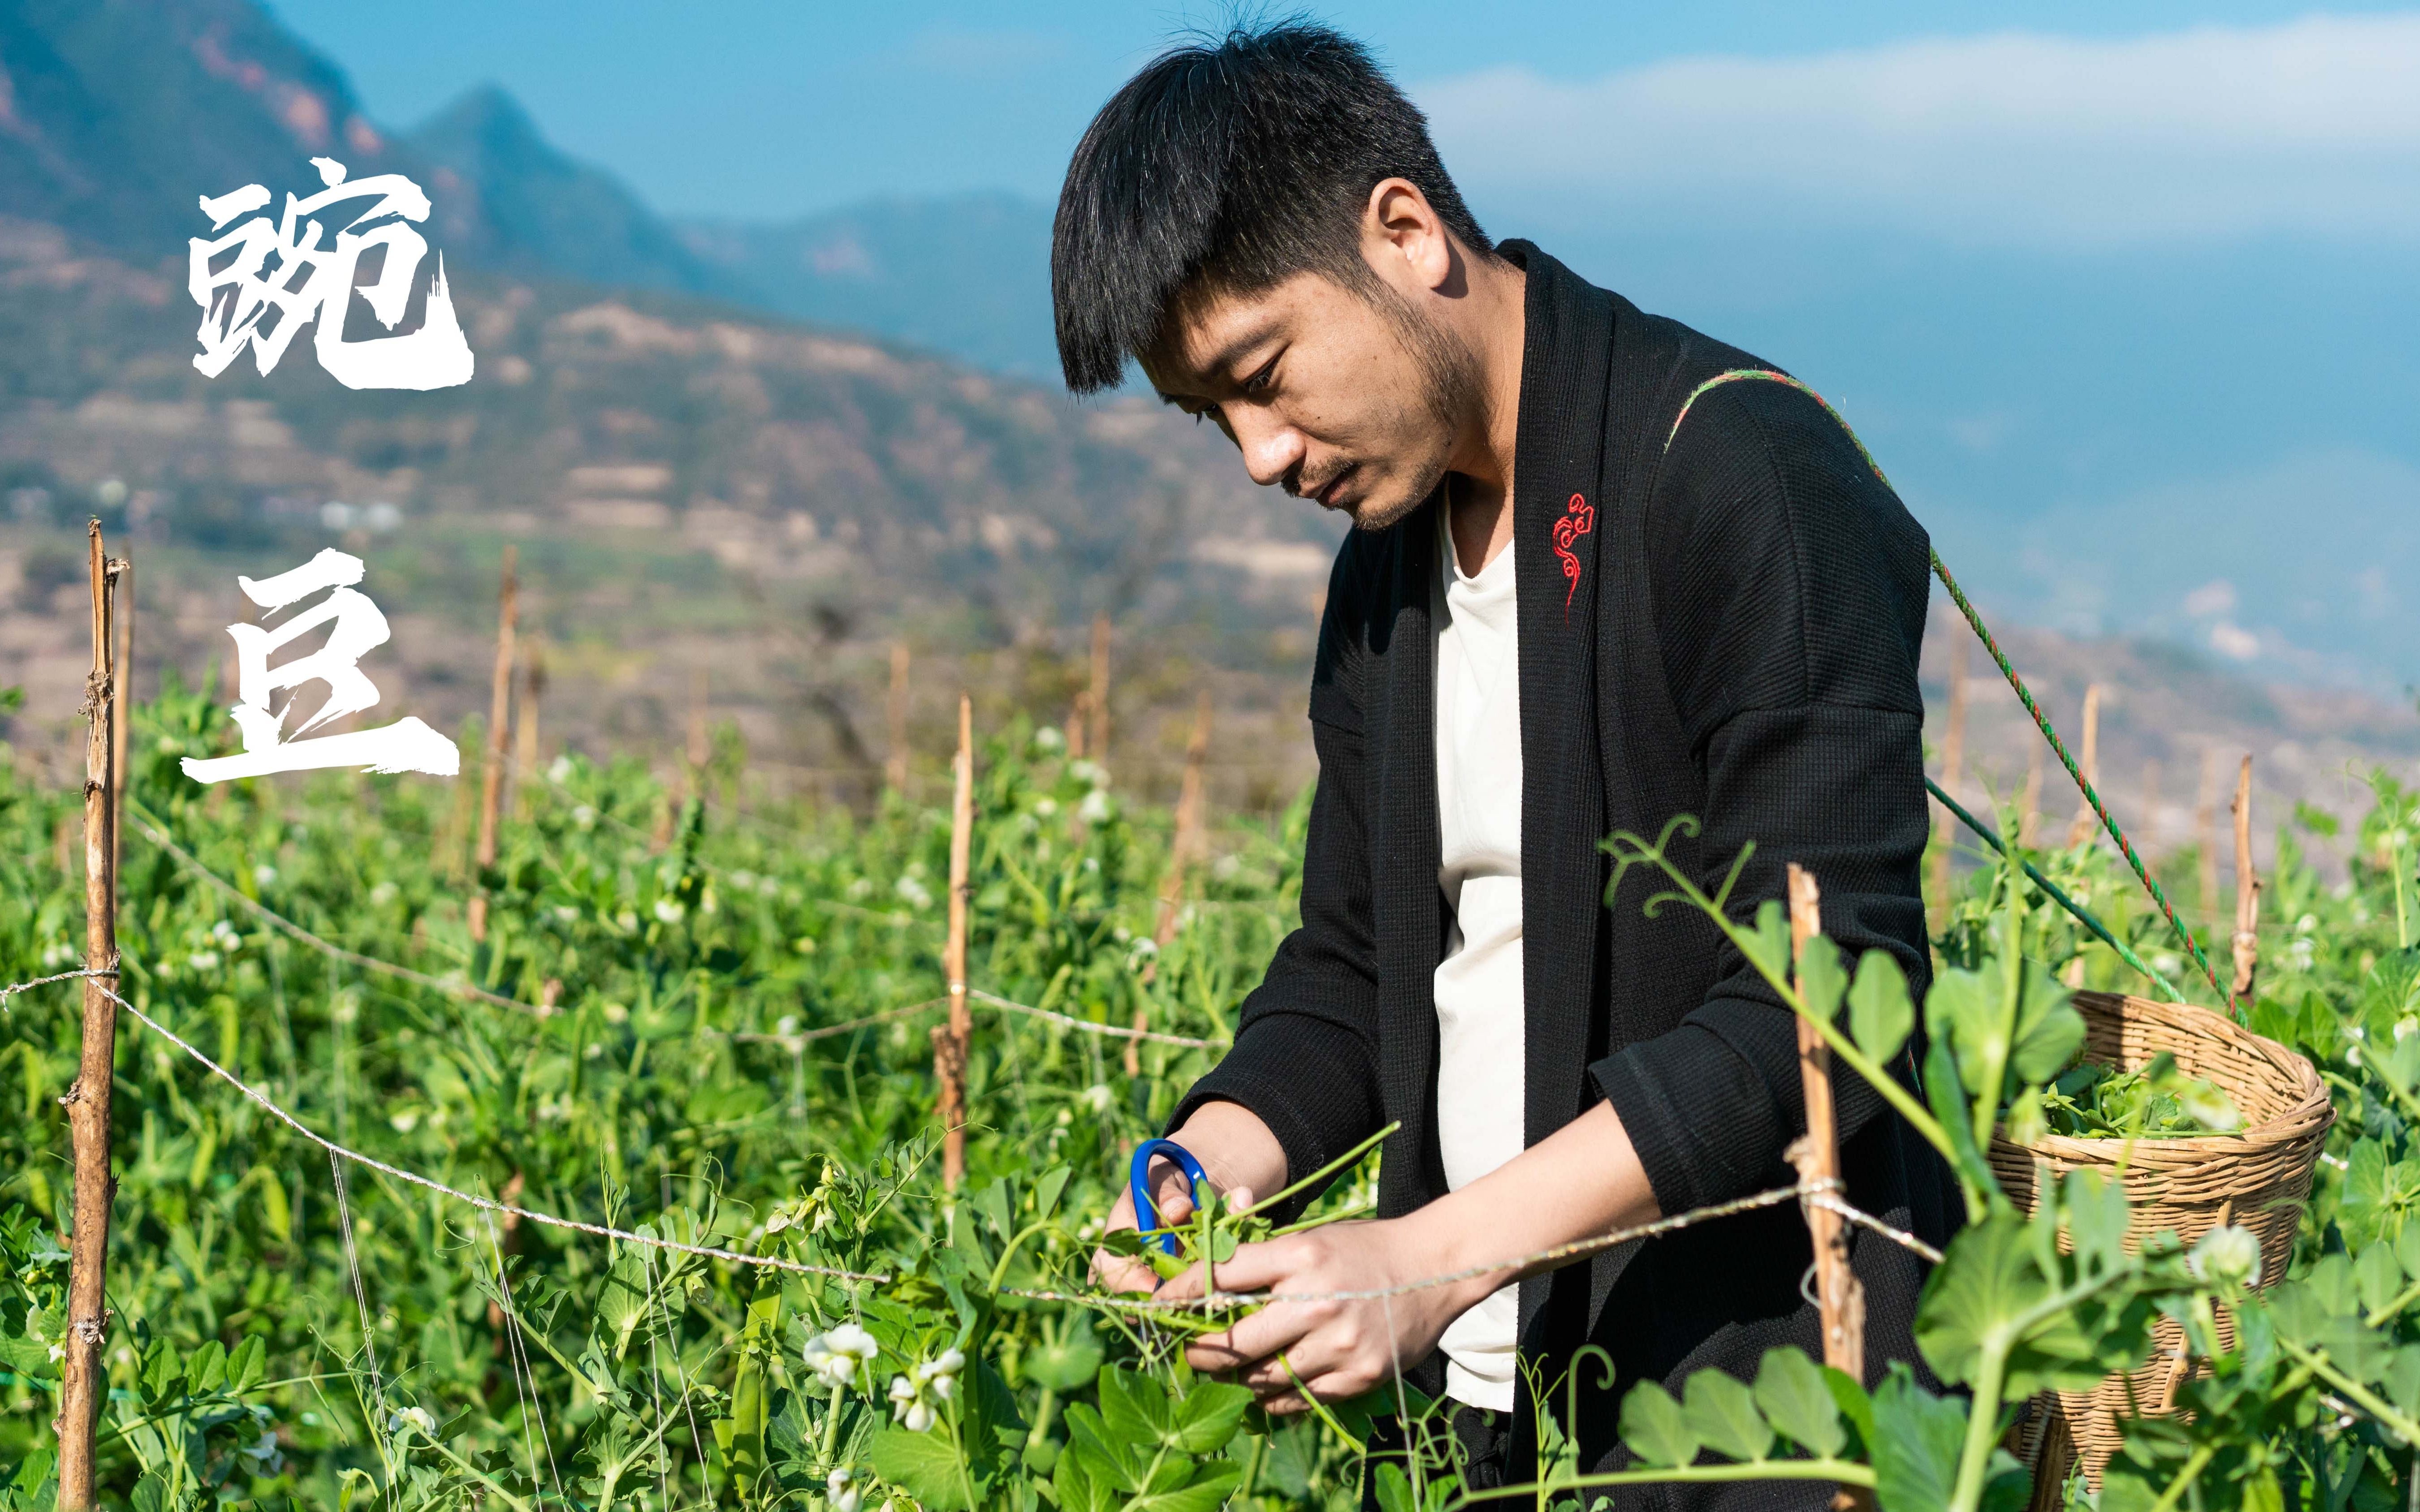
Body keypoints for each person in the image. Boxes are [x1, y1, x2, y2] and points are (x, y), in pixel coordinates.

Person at [1051, 21, 1958, 1507]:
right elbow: (1356, 968)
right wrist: (1197, 1176)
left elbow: (1824, 1010)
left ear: (1405, 232)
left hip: (1772, 1399)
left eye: (1264, 374)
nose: (1260, 456)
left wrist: (1426, 1258)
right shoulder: (1386, 573)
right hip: (1495, 1392)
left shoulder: (1738, 473)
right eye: (1211, 416)